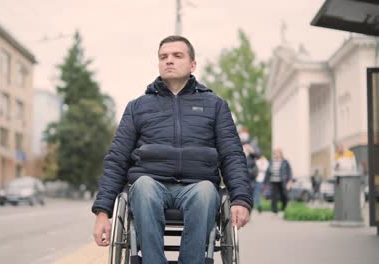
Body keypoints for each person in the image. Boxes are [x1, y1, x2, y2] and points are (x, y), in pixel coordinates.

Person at [92, 35, 252, 264]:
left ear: (192, 64)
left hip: (198, 185)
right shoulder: (138, 107)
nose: (169, 61)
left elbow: (232, 155)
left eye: (177, 56)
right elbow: (117, 159)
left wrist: (241, 199)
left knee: (207, 191)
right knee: (143, 186)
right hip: (151, 183)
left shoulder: (215, 105)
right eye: (163, 57)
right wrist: (102, 212)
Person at [264, 148, 292, 214]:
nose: (276, 154)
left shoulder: (285, 162)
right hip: (273, 180)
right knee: (274, 195)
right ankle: (274, 209)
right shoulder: (271, 161)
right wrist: (265, 182)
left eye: (277, 153)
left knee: (283, 195)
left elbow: (289, 171)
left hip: (282, 181)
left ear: (280, 154)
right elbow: (267, 172)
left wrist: (290, 180)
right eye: (275, 153)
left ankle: (284, 207)